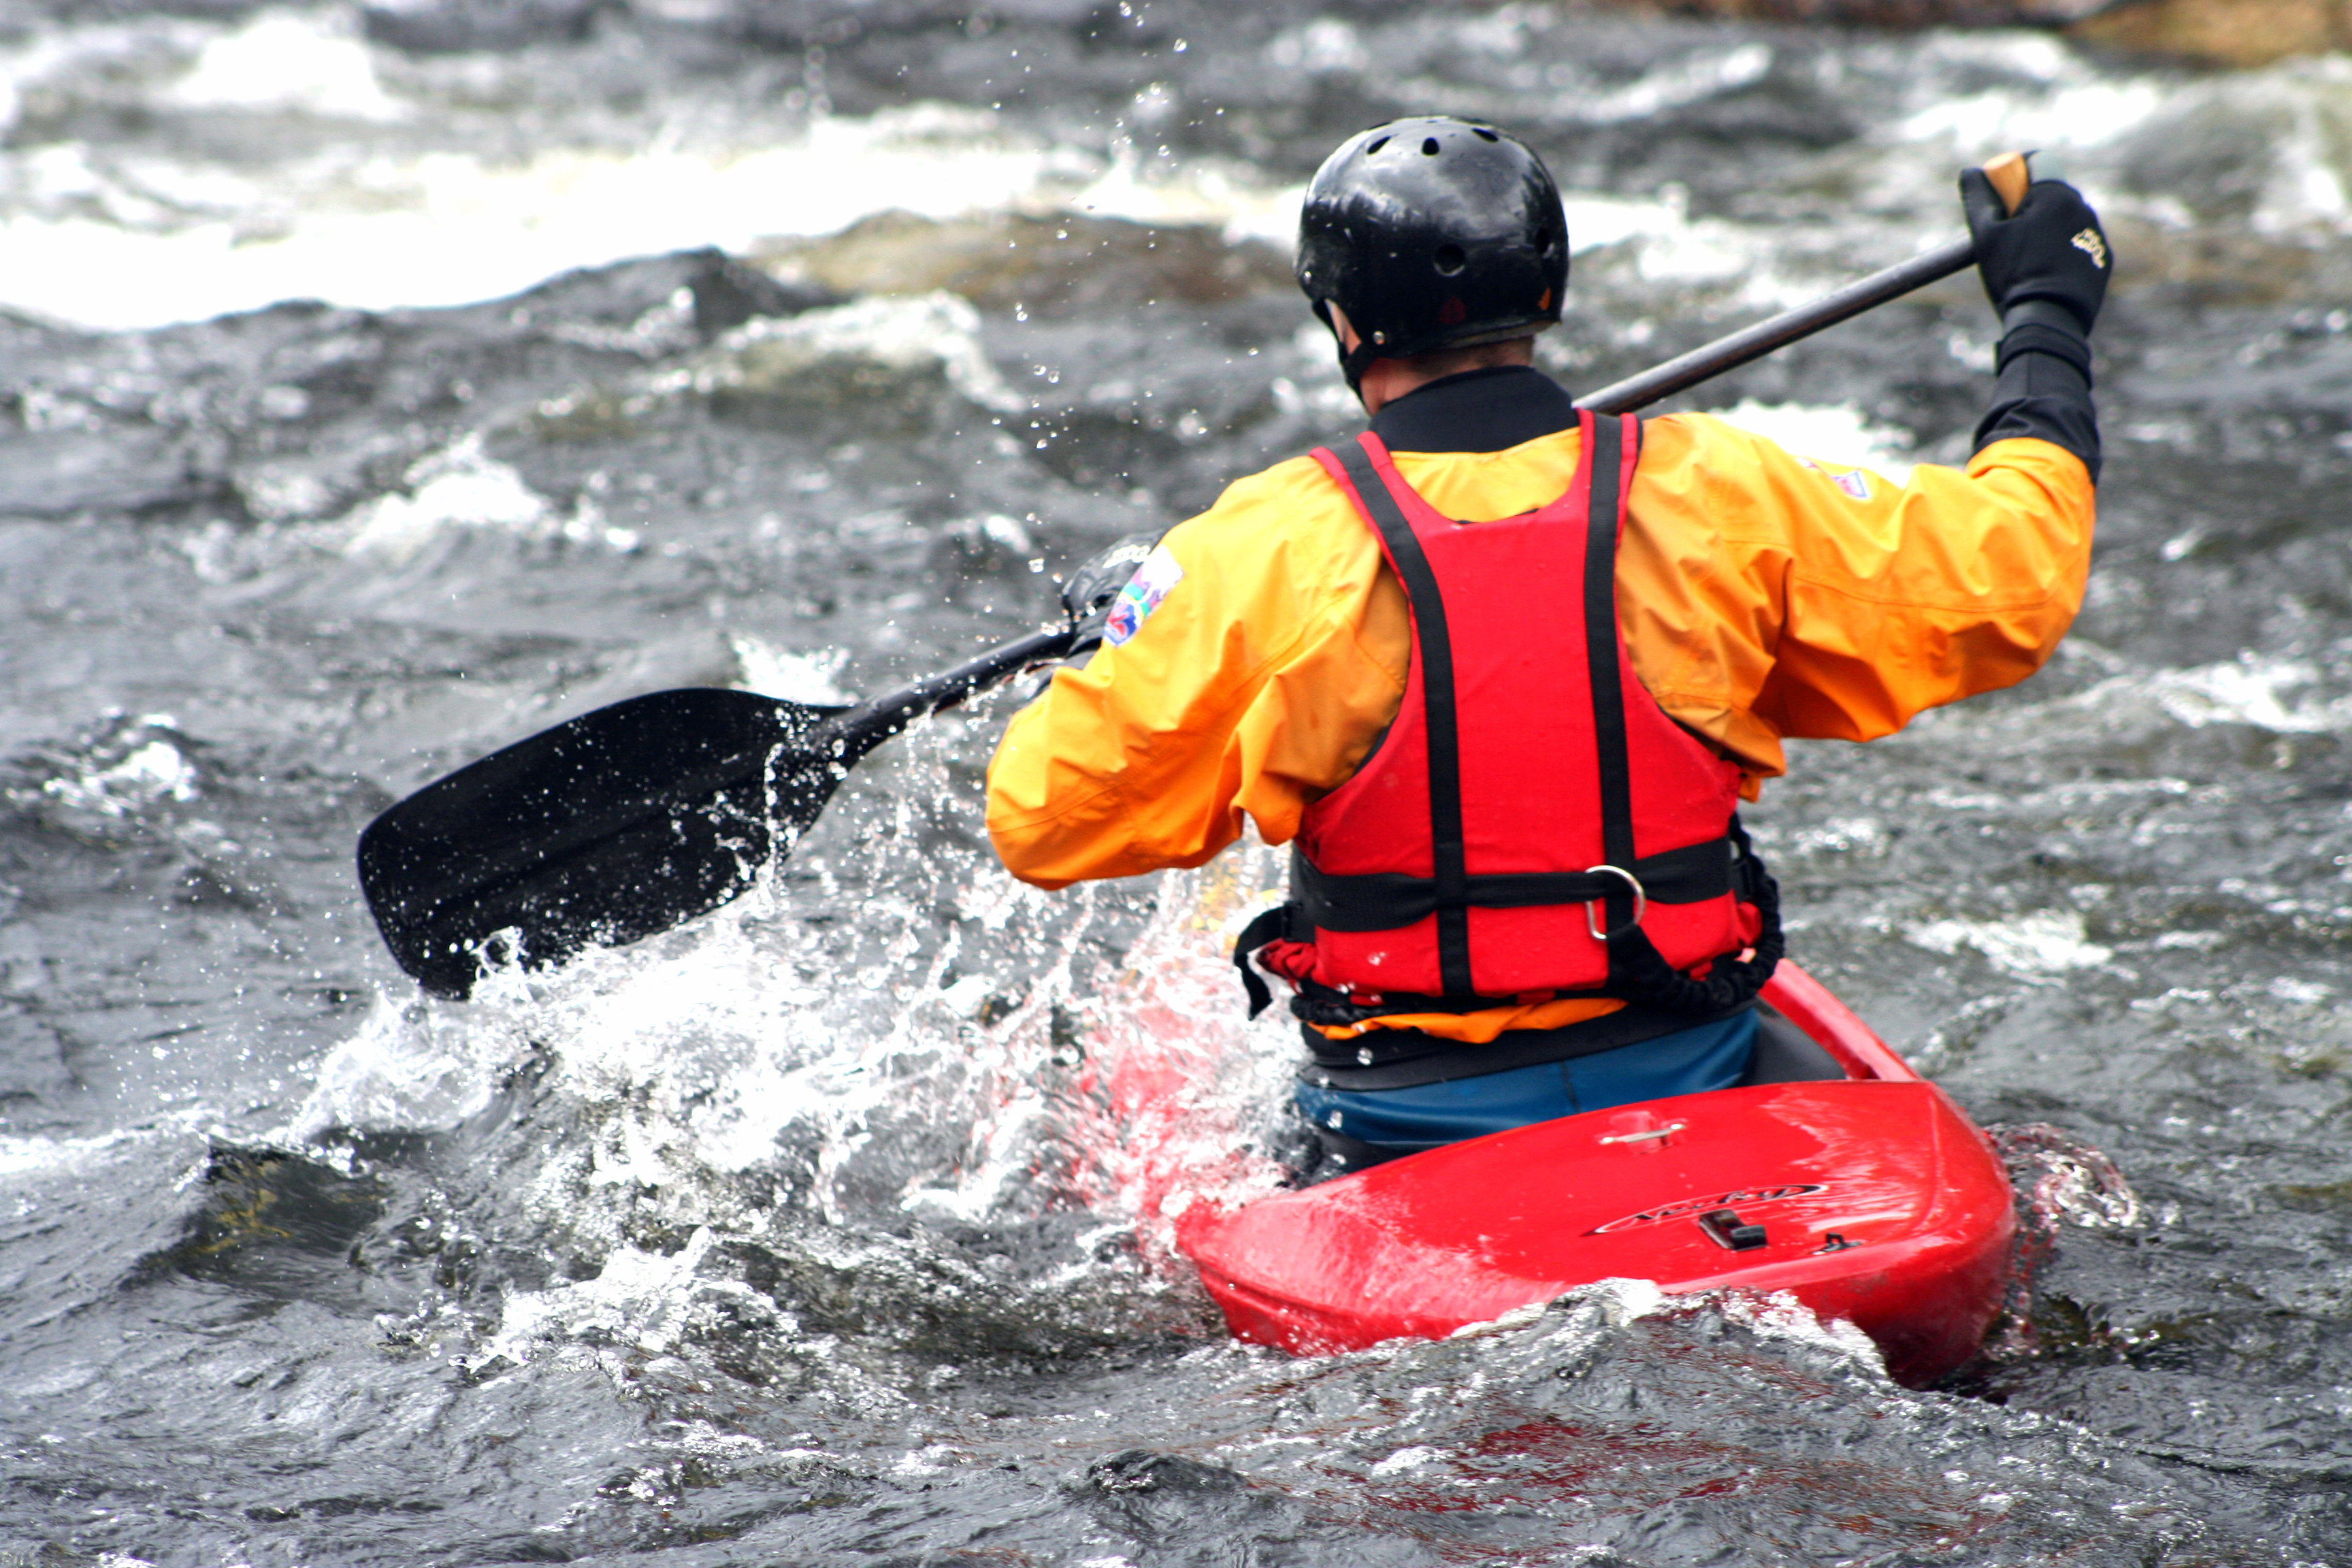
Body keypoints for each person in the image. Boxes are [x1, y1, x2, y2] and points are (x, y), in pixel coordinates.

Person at [985, 116, 2108, 1172]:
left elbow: (1045, 819)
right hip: (1688, 1055)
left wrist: (1123, 637)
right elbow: (2016, 575)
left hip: (1399, 1118)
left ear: (1342, 321)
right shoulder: (1720, 491)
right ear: (1544, 291)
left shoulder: (1259, 548)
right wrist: (2045, 321)